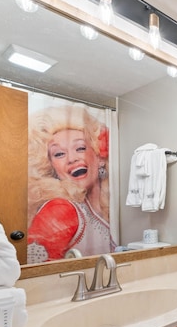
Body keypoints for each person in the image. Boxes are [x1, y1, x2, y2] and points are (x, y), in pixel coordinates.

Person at [27, 105, 116, 263]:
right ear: (51, 166)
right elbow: (36, 273)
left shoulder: (105, 209)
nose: (71, 159)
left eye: (80, 148)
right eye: (59, 154)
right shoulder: (60, 209)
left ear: (99, 157)